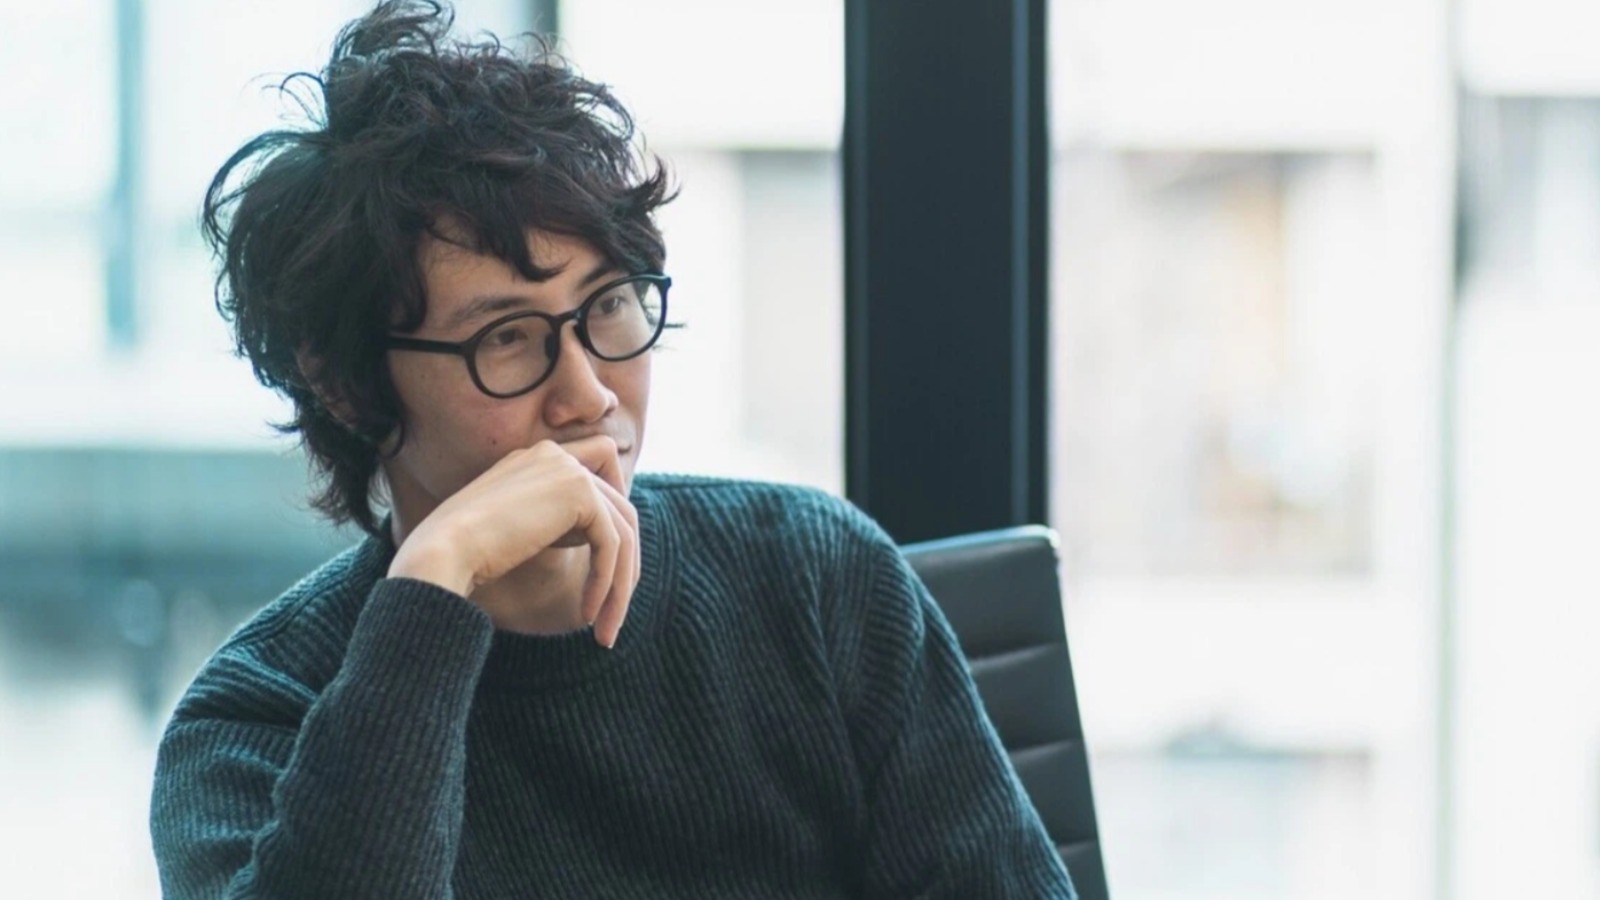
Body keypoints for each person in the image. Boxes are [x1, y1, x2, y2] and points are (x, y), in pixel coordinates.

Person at [148, 2, 1077, 897]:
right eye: (506, 338)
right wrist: (433, 584)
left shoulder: (815, 575)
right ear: (348, 386)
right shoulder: (250, 723)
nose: (589, 391)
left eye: (608, 305)